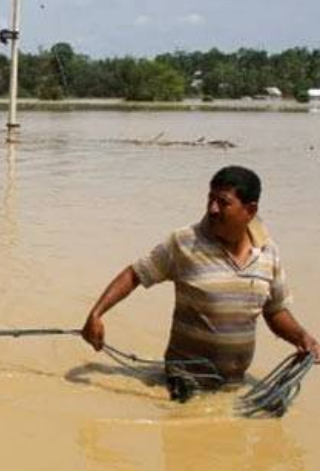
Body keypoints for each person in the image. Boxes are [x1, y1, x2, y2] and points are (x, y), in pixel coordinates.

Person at [82, 166, 319, 395]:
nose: (213, 209)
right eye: (210, 200)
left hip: (234, 387)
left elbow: (275, 311)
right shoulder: (185, 243)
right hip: (184, 385)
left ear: (250, 210)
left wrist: (302, 338)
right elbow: (135, 274)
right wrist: (96, 314)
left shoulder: (268, 252)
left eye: (223, 202)